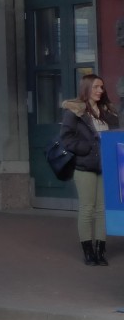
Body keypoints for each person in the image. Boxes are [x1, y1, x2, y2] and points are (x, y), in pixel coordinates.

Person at [59, 74, 117, 266]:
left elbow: (115, 136)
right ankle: (88, 251)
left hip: (105, 166)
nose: (100, 90)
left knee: (102, 210)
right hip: (85, 166)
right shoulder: (75, 111)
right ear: (86, 88)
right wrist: (87, 148)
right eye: (96, 87)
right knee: (87, 209)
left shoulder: (107, 111)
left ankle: (100, 250)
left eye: (102, 87)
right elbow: (66, 138)